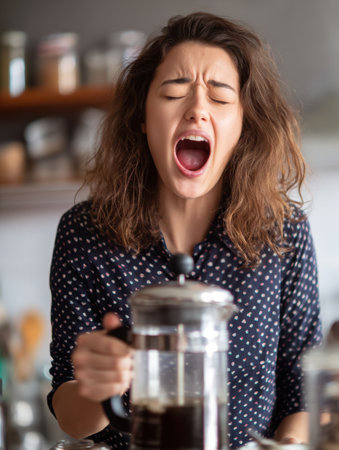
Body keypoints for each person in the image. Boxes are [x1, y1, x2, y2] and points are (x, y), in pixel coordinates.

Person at [48, 12, 322, 449]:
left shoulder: (284, 234)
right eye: (175, 92)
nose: (196, 109)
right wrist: (95, 389)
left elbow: (302, 389)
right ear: (142, 117)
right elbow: (69, 415)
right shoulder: (85, 235)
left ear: (243, 126)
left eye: (220, 98)